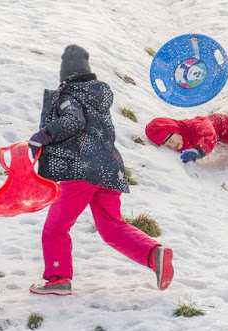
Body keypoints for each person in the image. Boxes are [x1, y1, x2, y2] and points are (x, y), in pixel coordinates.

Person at [28, 45, 173, 295]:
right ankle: (153, 254)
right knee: (111, 227)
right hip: (109, 168)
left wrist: (43, 136)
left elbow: (73, 121)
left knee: (56, 227)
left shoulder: (69, 96)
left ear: (64, 73)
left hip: (83, 169)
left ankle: (58, 278)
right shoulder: (96, 97)